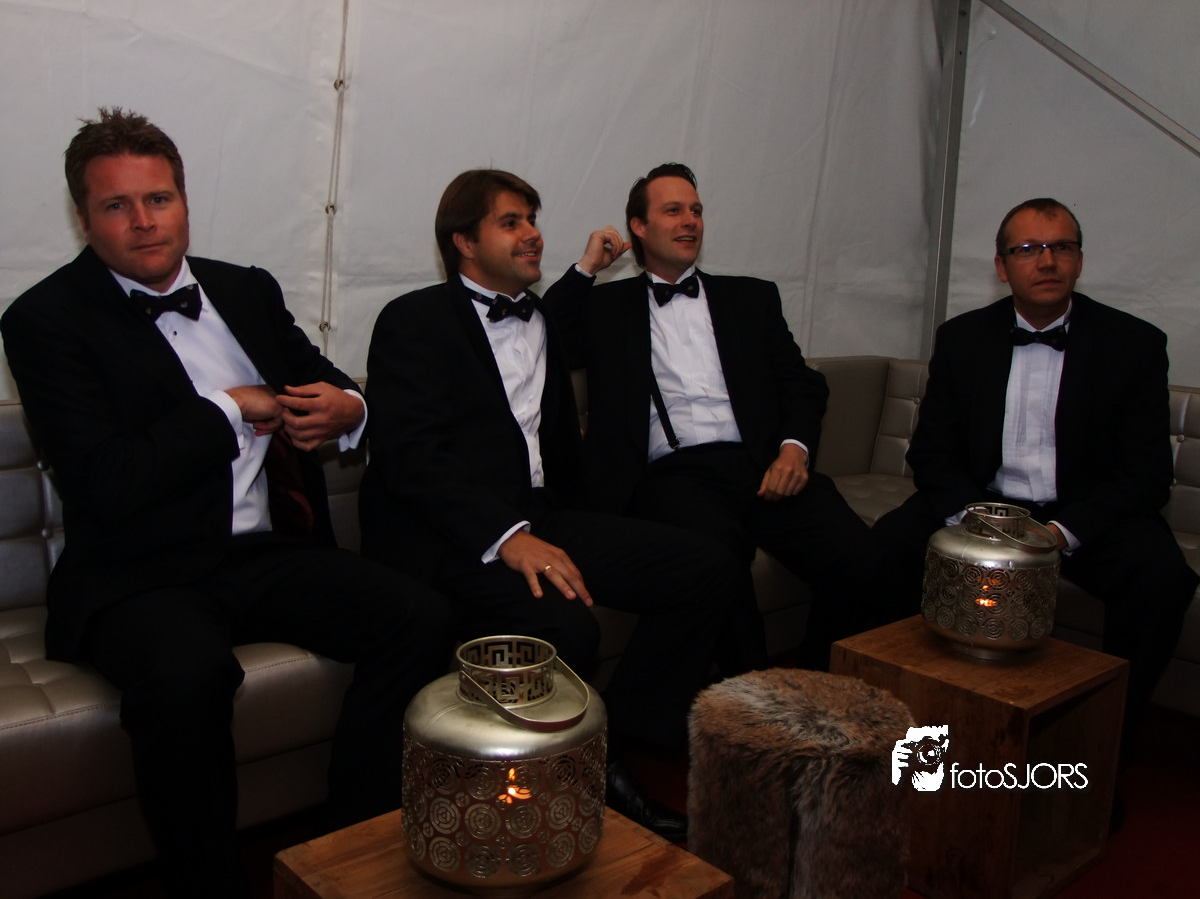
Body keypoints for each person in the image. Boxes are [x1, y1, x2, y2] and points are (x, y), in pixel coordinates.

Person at [0, 108, 454, 898]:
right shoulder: (43, 320)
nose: (144, 221)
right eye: (116, 205)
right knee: (188, 675)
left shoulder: (244, 288)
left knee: (422, 616)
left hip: (266, 555)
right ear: (83, 217)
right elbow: (104, 480)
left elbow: (328, 382)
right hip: (142, 573)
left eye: (158, 199)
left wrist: (352, 409)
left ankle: (342, 846)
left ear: (183, 200)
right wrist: (226, 408)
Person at [358, 169, 741, 840]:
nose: (532, 233)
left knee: (707, 567)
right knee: (569, 628)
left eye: (532, 219)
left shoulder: (543, 320)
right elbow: (410, 457)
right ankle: (583, 780)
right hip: (447, 533)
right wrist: (506, 535)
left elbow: (562, 451)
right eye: (511, 222)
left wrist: (603, 525)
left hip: (538, 515)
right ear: (464, 242)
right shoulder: (413, 319)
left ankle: (614, 741)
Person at [873, 197, 1198, 755]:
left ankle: (1104, 754)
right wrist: (978, 522)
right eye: (1027, 249)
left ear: (1079, 261)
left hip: (1081, 513)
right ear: (1002, 267)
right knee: (882, 549)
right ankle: (892, 723)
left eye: (1061, 247)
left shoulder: (1134, 344)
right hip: (982, 506)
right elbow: (932, 453)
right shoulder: (962, 338)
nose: (1046, 261)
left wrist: (1059, 535)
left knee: (1162, 580)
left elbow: (1145, 475)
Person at [543, 162, 877, 671]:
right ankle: (751, 698)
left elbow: (801, 382)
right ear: (638, 225)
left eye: (696, 211)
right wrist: (587, 267)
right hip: (671, 476)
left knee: (858, 555)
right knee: (718, 556)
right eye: (673, 211)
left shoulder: (751, 298)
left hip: (760, 462)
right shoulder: (607, 305)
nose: (689, 221)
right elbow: (546, 338)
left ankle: (820, 682)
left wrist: (794, 450)